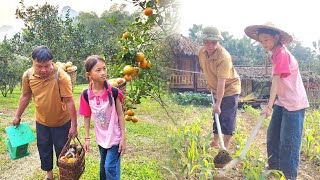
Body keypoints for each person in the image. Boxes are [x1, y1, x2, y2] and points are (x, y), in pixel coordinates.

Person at [244, 22, 309, 180]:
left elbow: (276, 81)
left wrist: (269, 106)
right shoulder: (275, 54)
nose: (263, 44)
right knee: (272, 135)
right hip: (283, 102)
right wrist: (273, 103)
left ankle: (288, 177)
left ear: (276, 37)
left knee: (289, 144)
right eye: (261, 41)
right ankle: (273, 171)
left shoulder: (282, 53)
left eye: (266, 40)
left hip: (294, 104)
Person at [12, 45, 78, 180]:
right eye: (39, 66)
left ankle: (63, 175)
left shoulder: (61, 76)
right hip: (42, 121)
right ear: (32, 62)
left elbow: (69, 101)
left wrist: (74, 125)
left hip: (61, 121)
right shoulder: (28, 75)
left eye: (47, 66)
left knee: (62, 150)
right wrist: (17, 115)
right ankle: (49, 175)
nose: (43, 70)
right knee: (44, 148)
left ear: (52, 62)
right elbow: (25, 96)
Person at [78, 55, 126, 180]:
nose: (103, 73)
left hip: (115, 135)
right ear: (88, 74)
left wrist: (123, 138)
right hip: (101, 136)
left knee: (110, 166)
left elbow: (121, 115)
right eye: (98, 70)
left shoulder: (114, 92)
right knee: (103, 168)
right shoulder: (86, 94)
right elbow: (87, 116)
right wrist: (87, 138)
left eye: (104, 68)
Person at [198, 26, 241, 148]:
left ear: (219, 41)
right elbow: (205, 68)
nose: (210, 45)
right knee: (216, 116)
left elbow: (222, 82)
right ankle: (215, 142)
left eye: (214, 42)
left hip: (229, 88)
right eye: (207, 42)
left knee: (227, 117)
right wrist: (210, 83)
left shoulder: (224, 57)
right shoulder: (201, 52)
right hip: (216, 88)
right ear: (203, 41)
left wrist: (218, 104)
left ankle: (225, 147)